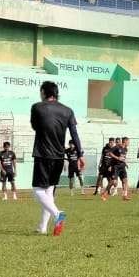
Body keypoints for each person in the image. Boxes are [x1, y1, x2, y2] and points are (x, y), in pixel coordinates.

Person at [30, 80, 84, 236]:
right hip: (60, 157)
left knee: (38, 190)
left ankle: (57, 214)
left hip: (43, 154)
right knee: (49, 191)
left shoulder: (37, 107)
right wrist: (80, 154)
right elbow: (74, 134)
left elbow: (35, 126)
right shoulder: (68, 110)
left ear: (43, 92)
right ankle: (42, 227)